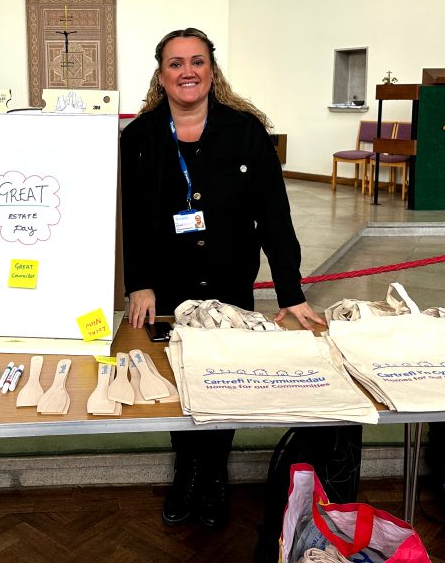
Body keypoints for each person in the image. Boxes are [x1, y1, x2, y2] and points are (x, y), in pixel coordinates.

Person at [120, 27, 326, 529]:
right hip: (166, 285)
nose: (186, 71)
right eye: (175, 63)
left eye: (196, 61)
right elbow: (134, 217)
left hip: (231, 280)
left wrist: (291, 293)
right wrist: (139, 283)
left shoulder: (246, 132)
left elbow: (274, 217)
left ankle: (212, 474)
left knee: (223, 376)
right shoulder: (140, 137)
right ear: (161, 74)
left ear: (212, 70)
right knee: (179, 378)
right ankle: (186, 470)